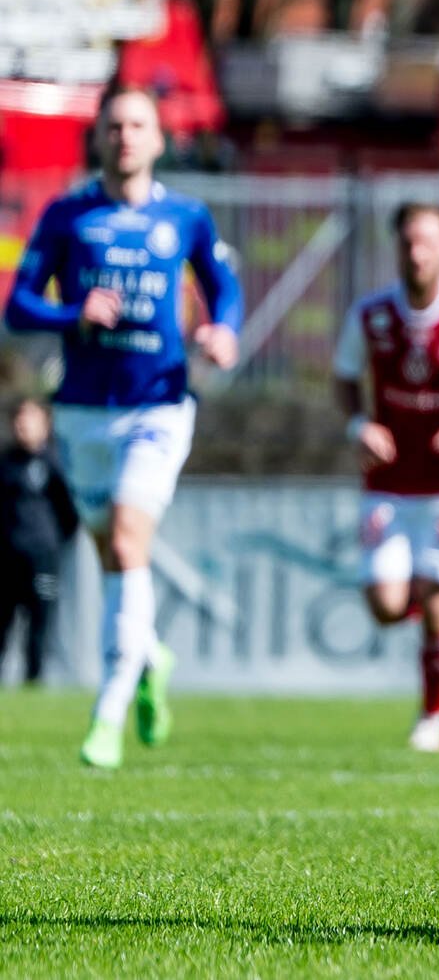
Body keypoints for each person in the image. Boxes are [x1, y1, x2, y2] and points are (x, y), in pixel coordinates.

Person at [4, 88, 243, 768]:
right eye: (114, 126)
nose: (126, 136)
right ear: (98, 139)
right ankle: (149, 656)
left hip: (159, 405)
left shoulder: (185, 217)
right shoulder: (67, 215)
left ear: (159, 139)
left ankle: (108, 707)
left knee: (131, 538)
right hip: (81, 410)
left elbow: (224, 285)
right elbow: (20, 303)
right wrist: (72, 314)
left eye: (139, 125)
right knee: (115, 554)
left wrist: (222, 329)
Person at [333, 203, 439, 753]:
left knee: (435, 596)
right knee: (385, 606)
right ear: (395, 248)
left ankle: (433, 717)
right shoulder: (372, 315)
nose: (417, 252)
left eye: (428, 241)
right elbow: (345, 376)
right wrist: (360, 423)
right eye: (407, 242)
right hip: (390, 481)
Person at [0, 397, 79, 684]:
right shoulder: (5, 463)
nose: (23, 425)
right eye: (19, 418)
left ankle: (33, 681)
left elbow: (69, 513)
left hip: (43, 558)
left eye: (30, 418)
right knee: (4, 621)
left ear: (45, 425)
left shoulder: (55, 464)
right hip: (6, 559)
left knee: (40, 620)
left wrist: (51, 542)